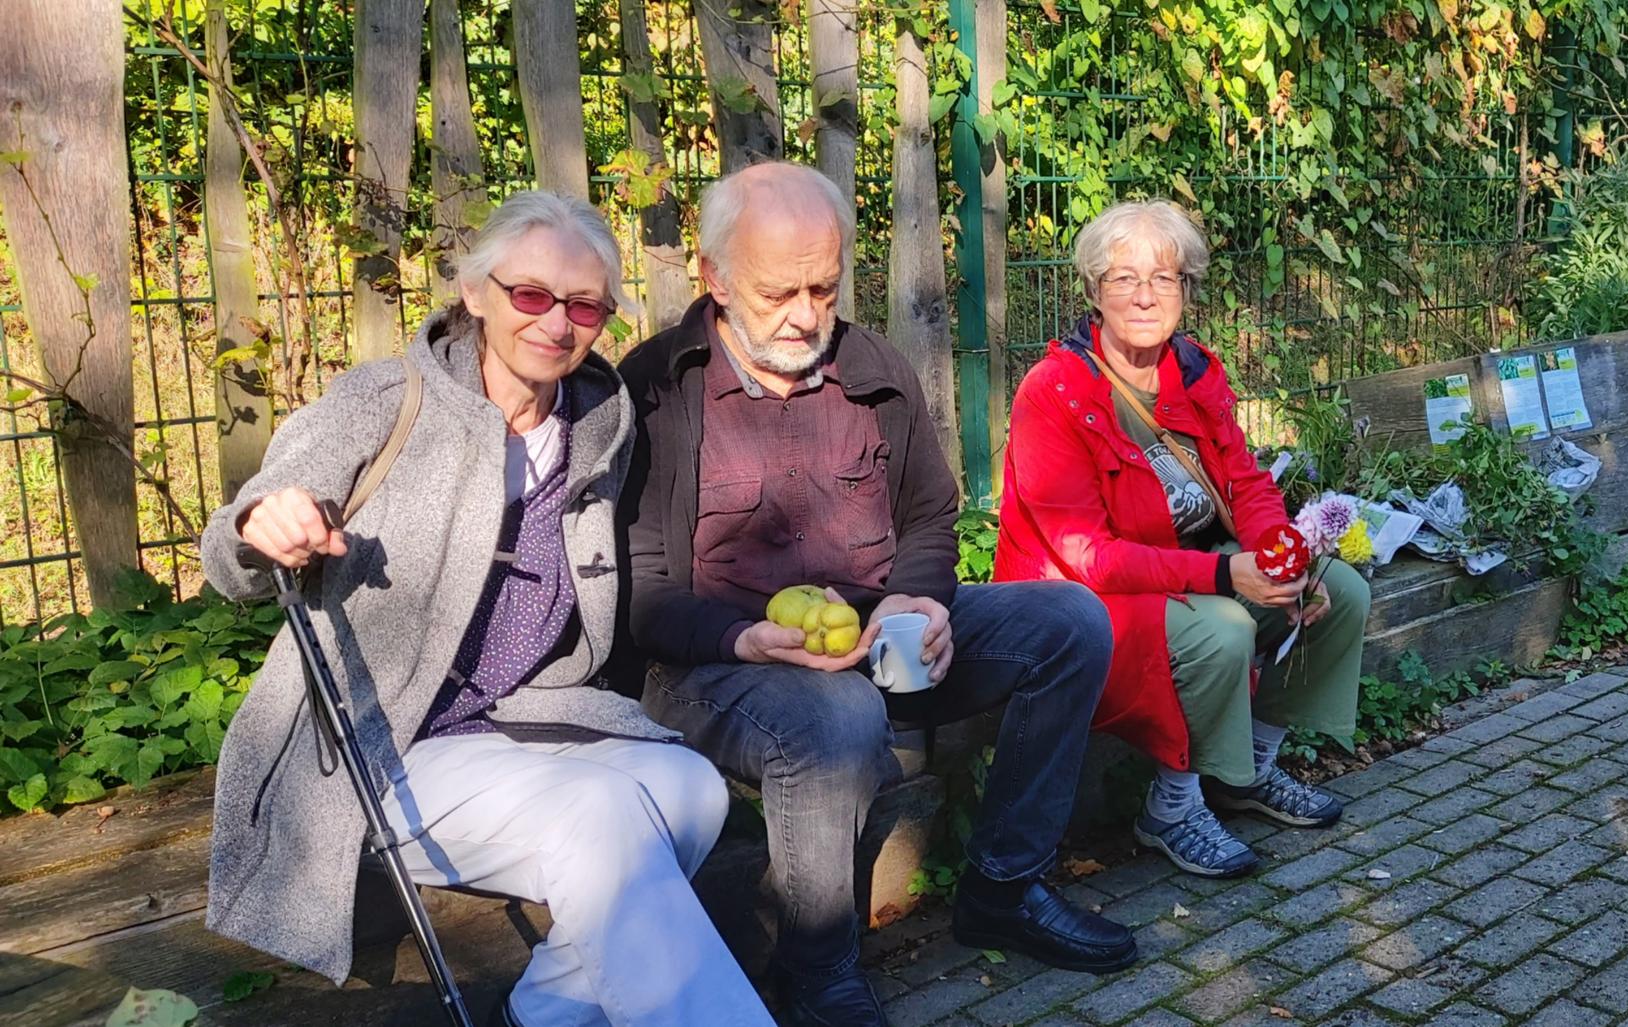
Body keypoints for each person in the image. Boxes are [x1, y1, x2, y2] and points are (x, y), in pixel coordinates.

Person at [198, 191, 773, 1027]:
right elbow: (231, 552)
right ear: (475, 291)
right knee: (604, 814)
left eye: (584, 305)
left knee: (690, 788)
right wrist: (263, 525)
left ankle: (539, 1015)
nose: (556, 323)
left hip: (511, 722)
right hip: (374, 740)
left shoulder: (595, 424)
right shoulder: (383, 400)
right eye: (530, 295)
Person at [617, 161, 1136, 1027]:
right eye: (780, 291)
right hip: (714, 664)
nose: (808, 316)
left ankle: (1004, 886)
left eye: (825, 286)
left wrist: (920, 597)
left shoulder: (872, 368)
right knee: (836, 716)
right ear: (713, 275)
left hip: (877, 643)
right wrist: (743, 640)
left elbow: (932, 513)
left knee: (1070, 622)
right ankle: (816, 969)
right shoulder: (657, 388)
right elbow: (636, 586)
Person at [993, 199, 1373, 879]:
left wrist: (1283, 561)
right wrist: (1230, 577)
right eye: (1124, 278)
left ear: (1186, 290)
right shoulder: (1053, 392)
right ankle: (1172, 804)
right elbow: (1087, 555)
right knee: (1223, 627)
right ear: (1092, 291)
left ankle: (1249, 770)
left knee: (1336, 587)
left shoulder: (1193, 370)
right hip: (1082, 600)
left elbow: (1248, 481)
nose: (1144, 295)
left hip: (1185, 569)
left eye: (1163, 279)